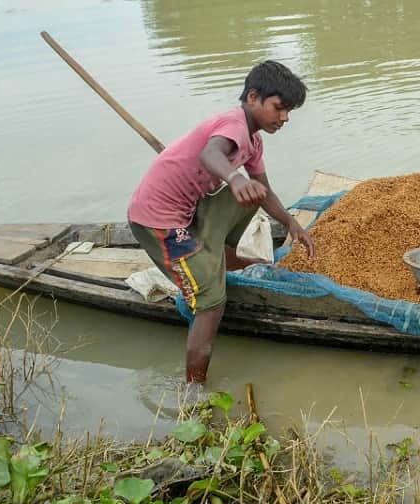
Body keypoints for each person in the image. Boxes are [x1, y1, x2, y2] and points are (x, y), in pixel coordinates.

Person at [127, 60, 316, 383]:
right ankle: (194, 385)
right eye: (279, 108)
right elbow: (210, 155)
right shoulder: (233, 126)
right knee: (212, 301)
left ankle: (222, 257)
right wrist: (234, 178)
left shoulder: (254, 141)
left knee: (254, 192)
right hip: (157, 220)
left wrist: (290, 223)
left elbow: (265, 191)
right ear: (253, 97)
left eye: (289, 112)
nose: (284, 118)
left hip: (190, 210)